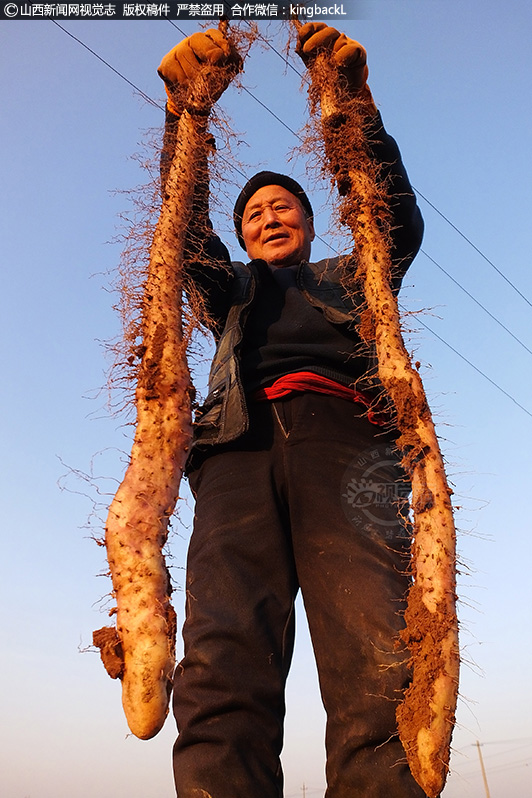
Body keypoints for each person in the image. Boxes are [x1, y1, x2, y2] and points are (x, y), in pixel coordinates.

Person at [158, 23, 427, 798]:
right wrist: (185, 115)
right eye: (256, 214)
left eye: (285, 208)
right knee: (221, 659)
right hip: (235, 456)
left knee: (379, 654)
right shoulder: (231, 290)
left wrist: (353, 104)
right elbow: (182, 231)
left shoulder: (351, 275)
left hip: (350, 449)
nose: (270, 217)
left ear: (310, 225)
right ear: (242, 237)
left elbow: (393, 218)